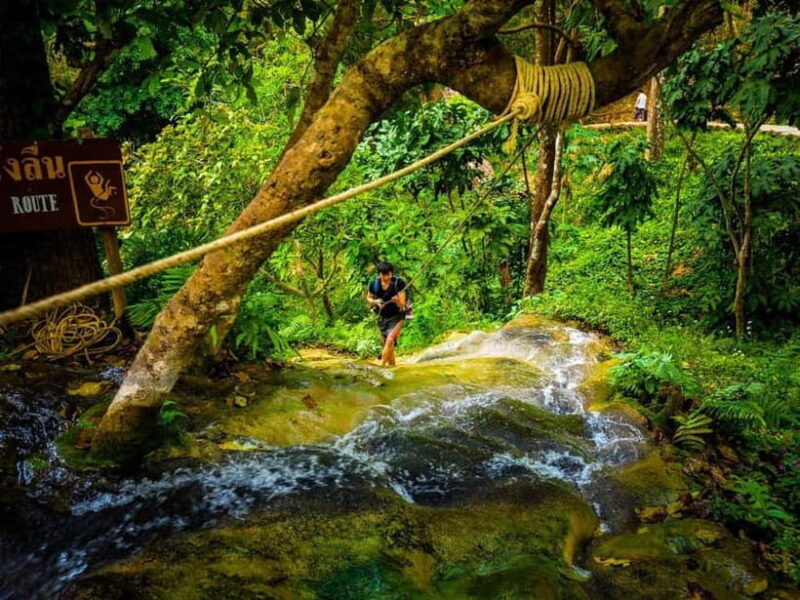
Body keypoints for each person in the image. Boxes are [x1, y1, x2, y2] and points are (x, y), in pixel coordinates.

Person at [366, 262, 407, 366]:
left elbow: (402, 304)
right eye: (384, 275)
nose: (387, 277)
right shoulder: (374, 284)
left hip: (397, 316)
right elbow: (368, 298)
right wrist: (376, 302)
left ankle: (381, 367)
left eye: (389, 274)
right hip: (382, 316)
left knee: (390, 340)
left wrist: (396, 301)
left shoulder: (398, 283)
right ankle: (392, 368)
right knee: (388, 345)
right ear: (379, 274)